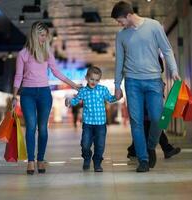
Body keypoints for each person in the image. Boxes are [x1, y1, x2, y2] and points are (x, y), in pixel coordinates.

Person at [111, 1, 180, 172]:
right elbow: (119, 61)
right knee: (136, 122)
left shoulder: (154, 26)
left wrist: (174, 70)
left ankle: (151, 146)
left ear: (128, 15)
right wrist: (117, 84)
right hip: (132, 82)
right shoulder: (121, 36)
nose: (119, 24)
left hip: (153, 80)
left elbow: (167, 49)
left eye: (120, 20)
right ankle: (143, 159)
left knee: (159, 119)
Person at [12, 21, 80, 175]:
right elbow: (18, 76)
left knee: (42, 128)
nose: (44, 38)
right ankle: (30, 161)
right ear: (35, 35)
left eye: (45, 35)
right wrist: (14, 96)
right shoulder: (23, 54)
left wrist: (73, 85)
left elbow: (56, 72)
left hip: (44, 93)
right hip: (27, 93)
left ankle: (40, 159)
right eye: (41, 35)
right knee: (30, 126)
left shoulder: (47, 53)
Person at [65, 66, 121, 172]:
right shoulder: (83, 91)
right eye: (91, 79)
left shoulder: (103, 89)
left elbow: (110, 99)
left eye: (96, 80)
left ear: (99, 80)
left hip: (101, 124)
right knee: (85, 144)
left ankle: (97, 162)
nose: (93, 82)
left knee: (100, 145)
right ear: (86, 78)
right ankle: (87, 157)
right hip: (88, 124)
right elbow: (75, 101)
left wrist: (117, 97)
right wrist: (69, 102)